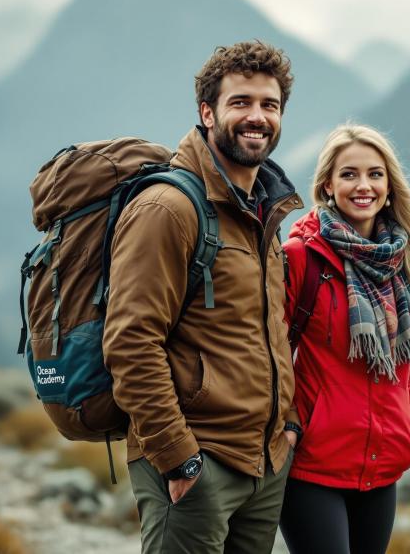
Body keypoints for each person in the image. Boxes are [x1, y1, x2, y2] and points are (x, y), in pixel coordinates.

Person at [103, 41, 302, 553]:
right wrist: (177, 456)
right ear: (207, 112)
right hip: (196, 462)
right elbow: (130, 341)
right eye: (241, 103)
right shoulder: (168, 209)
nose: (257, 117)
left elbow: (268, 329)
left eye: (269, 105)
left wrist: (289, 426)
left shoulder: (264, 211)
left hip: (263, 464)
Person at [278, 124, 410, 554]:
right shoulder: (300, 258)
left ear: (389, 186)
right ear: (327, 185)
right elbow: (268, 351)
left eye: (375, 174)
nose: (363, 185)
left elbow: (404, 363)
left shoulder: (399, 259)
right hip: (313, 468)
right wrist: (291, 425)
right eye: (349, 174)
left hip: (382, 467)